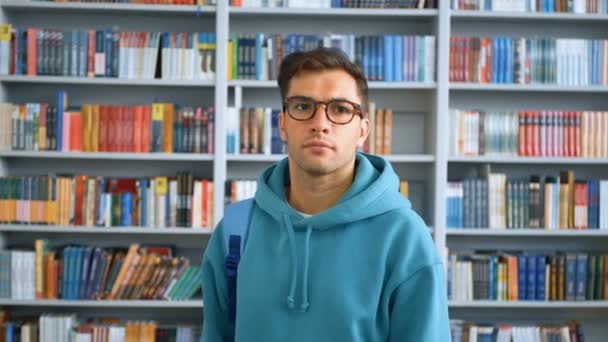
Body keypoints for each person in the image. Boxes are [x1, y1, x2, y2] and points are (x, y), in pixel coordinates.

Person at [201, 47, 450, 342]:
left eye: (341, 109)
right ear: (282, 123)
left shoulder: (405, 237)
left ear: (362, 130)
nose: (320, 123)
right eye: (303, 106)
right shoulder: (235, 230)